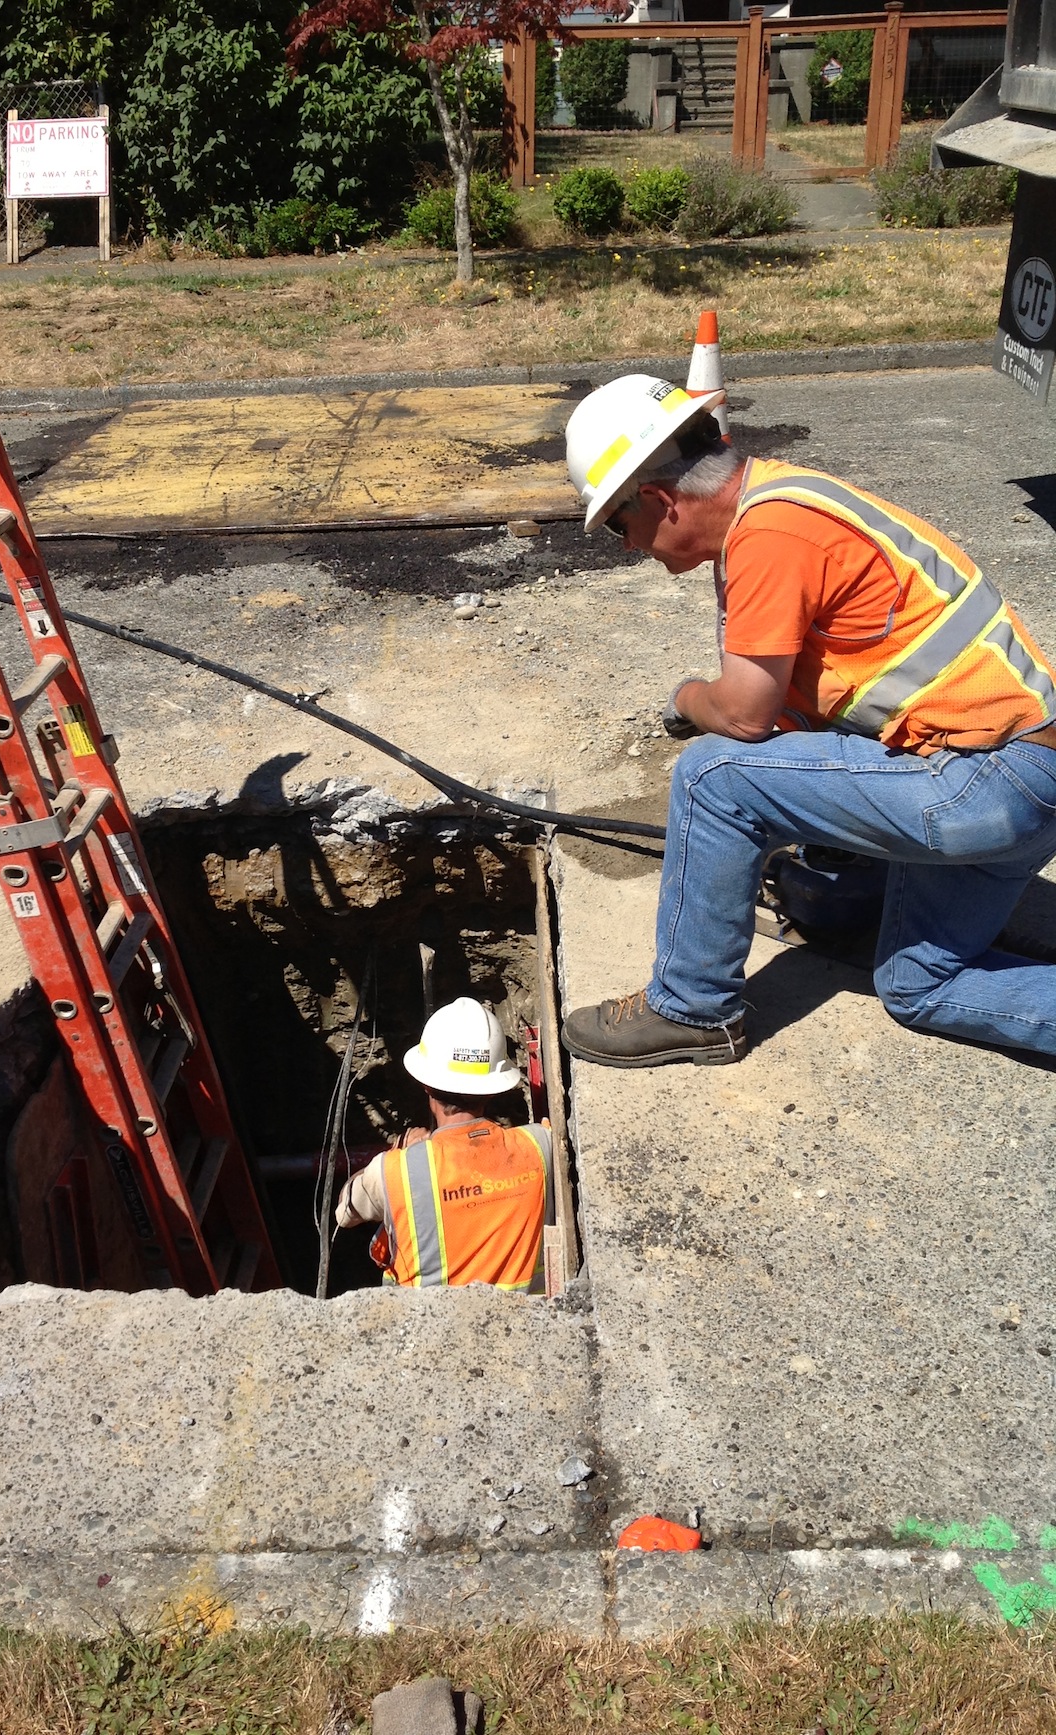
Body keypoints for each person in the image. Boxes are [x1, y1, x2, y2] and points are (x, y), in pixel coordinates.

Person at [558, 372, 1056, 1068]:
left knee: (712, 778)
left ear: (660, 499)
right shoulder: (785, 501)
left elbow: (741, 715)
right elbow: (801, 719)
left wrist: (687, 698)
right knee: (916, 986)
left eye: (617, 522)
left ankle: (692, 1008)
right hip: (1026, 777)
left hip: (984, 780)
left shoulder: (769, 532)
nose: (625, 544)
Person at [336, 996, 553, 1290]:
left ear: (425, 1083)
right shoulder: (542, 1145)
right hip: (528, 1325)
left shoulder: (394, 1172)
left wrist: (400, 1150)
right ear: (493, 1089)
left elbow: (345, 1211)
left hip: (428, 1331)